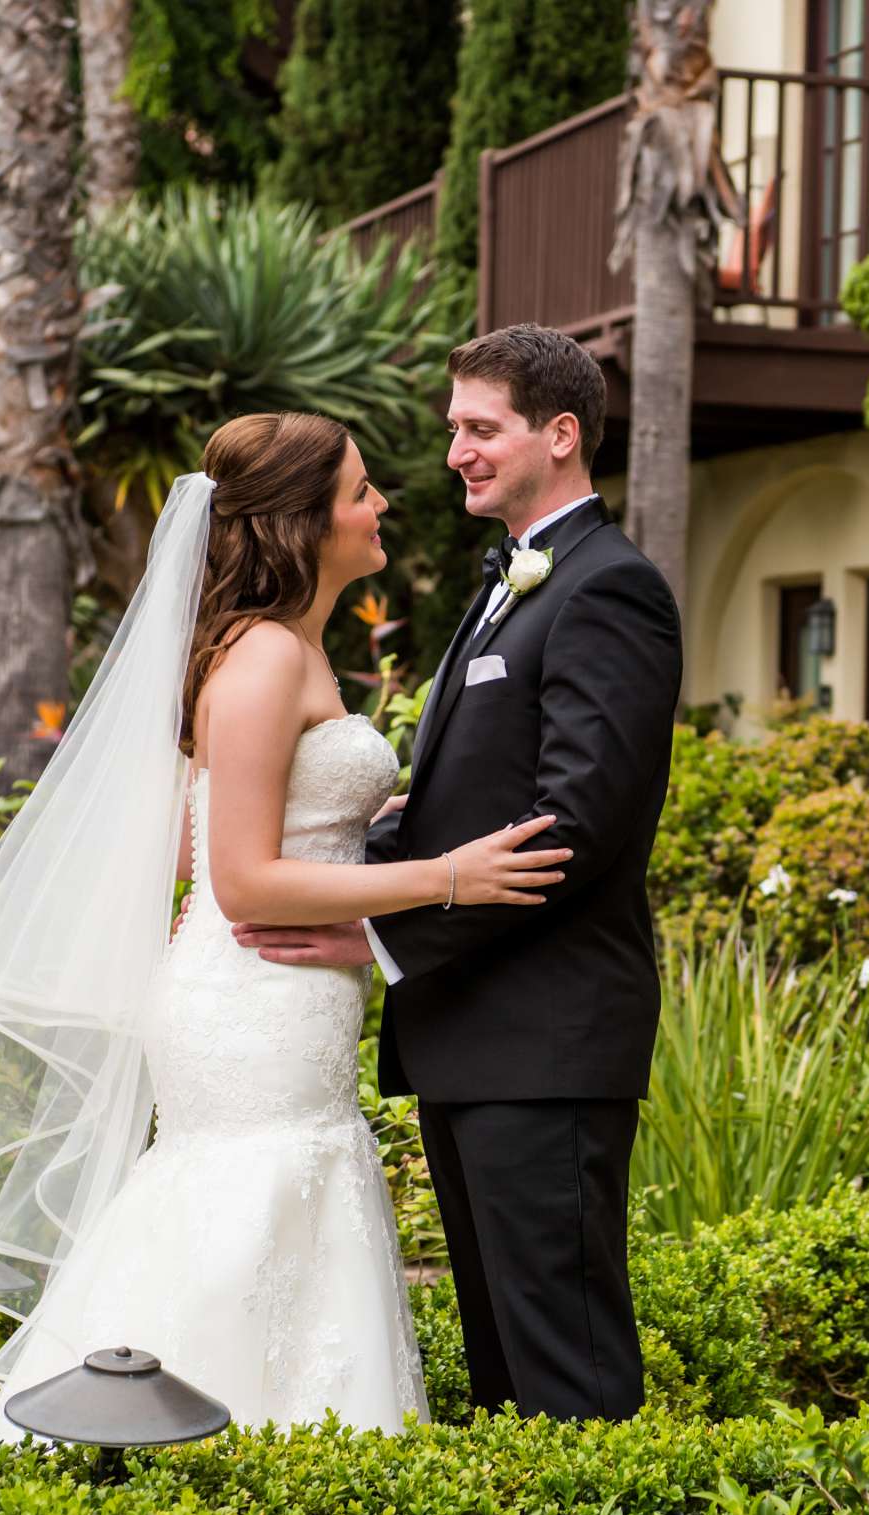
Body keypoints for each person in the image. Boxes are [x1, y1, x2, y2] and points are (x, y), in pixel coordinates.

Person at [0, 411, 572, 1438]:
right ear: (306, 524)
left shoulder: (281, 649)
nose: (382, 505)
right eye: (361, 492)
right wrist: (447, 877)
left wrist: (361, 826)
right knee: (243, 1214)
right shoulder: (265, 657)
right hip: (251, 1002)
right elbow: (242, 883)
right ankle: (157, 1453)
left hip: (277, 998)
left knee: (273, 1211)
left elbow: (196, 839)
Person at [229, 326, 682, 1422]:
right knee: (506, 1377)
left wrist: (384, 927)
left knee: (563, 1374)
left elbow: (570, 826)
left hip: (548, 1042)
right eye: (454, 431)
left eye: (482, 429)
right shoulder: (515, 585)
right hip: (478, 1038)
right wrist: (357, 862)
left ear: (560, 436)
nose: (456, 454)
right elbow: (464, 809)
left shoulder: (608, 590)